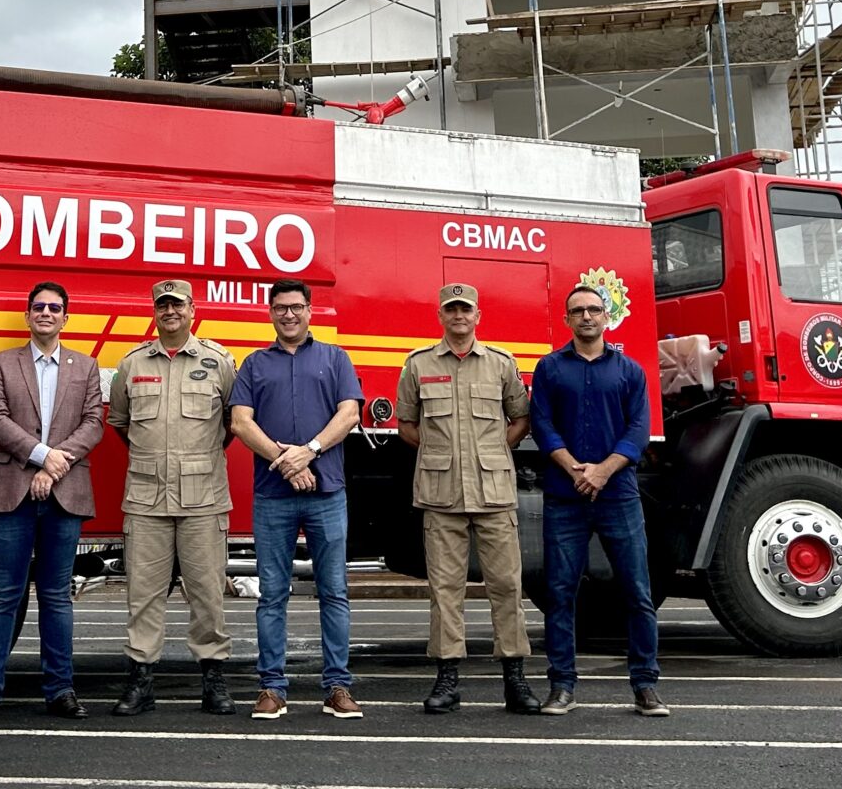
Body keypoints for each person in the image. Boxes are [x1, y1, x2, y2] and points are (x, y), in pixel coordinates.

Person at [0, 280, 105, 724]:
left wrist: (54, 467)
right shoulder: (3, 363)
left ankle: (60, 690)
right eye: (38, 307)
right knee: (3, 594)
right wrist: (43, 457)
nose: (46, 313)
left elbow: (94, 421)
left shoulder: (87, 366)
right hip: (12, 491)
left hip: (65, 492)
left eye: (54, 307)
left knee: (57, 596)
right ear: (27, 316)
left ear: (66, 317)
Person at [394, 282, 537, 716]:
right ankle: (447, 679)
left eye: (466, 310)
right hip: (441, 495)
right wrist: (443, 455)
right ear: (441, 316)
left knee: (508, 587)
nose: (458, 317)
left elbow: (521, 418)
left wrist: (492, 450)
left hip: (492, 493)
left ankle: (515, 679)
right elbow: (406, 425)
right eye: (451, 310)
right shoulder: (419, 365)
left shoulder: (499, 364)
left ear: (478, 317)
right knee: (445, 591)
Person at [531, 281, 668, 718]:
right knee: (559, 593)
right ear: (567, 319)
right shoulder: (550, 369)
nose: (587, 316)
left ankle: (645, 685)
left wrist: (603, 471)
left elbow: (637, 430)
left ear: (607, 317)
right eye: (578, 311)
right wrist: (574, 468)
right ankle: (562, 686)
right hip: (564, 496)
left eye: (594, 309)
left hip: (619, 496)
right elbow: (542, 425)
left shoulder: (630, 371)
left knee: (637, 592)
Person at [229, 279, 363, 721]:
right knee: (272, 595)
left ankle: (338, 687)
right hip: (274, 497)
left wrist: (310, 450)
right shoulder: (253, 364)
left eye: (296, 307)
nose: (289, 314)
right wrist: (286, 459)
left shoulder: (335, 358)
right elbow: (240, 423)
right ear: (270, 312)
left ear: (310, 310)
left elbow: (349, 414)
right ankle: (272, 688)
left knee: (334, 592)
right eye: (281, 308)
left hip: (327, 493)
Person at [105, 278, 237, 718]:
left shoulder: (218, 363)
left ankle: (213, 680)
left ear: (192, 310)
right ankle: (141, 682)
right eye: (162, 306)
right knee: (143, 595)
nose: (170, 312)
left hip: (203, 499)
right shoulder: (132, 364)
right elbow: (122, 424)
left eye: (177, 305)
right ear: (154, 312)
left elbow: (231, 427)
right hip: (145, 499)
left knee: (207, 594)